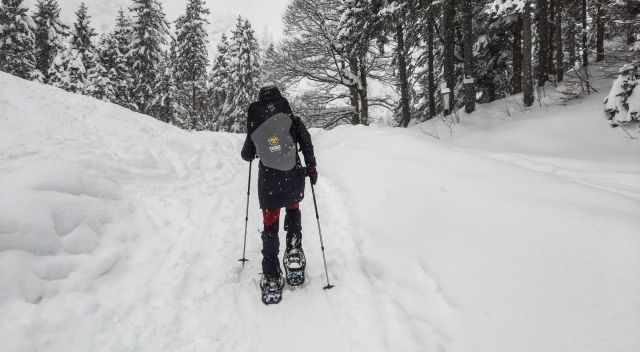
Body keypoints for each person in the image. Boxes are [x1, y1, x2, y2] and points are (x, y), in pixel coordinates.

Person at [241, 86, 318, 289]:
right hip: (292, 176)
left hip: (269, 182)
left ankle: (271, 271)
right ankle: (293, 250)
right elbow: (307, 142)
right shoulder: (292, 119)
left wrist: (260, 144)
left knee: (270, 221)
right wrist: (311, 166)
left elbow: (246, 155)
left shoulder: (257, 125)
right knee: (293, 209)